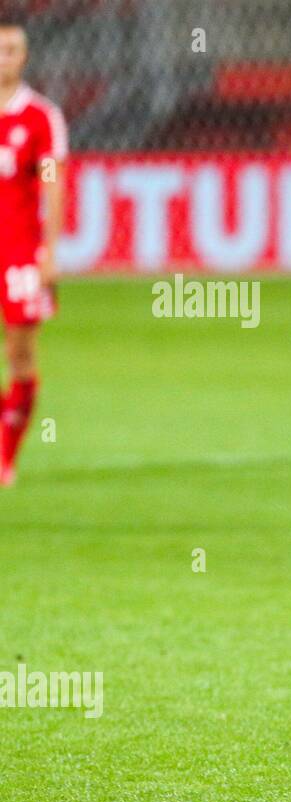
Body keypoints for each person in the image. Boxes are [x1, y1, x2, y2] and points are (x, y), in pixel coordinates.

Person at [0, 18, 66, 486]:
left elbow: (52, 183)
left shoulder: (41, 117)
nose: (5, 57)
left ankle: (5, 456)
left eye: (13, 50)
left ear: (24, 57)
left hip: (21, 249)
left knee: (20, 351)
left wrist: (49, 251)